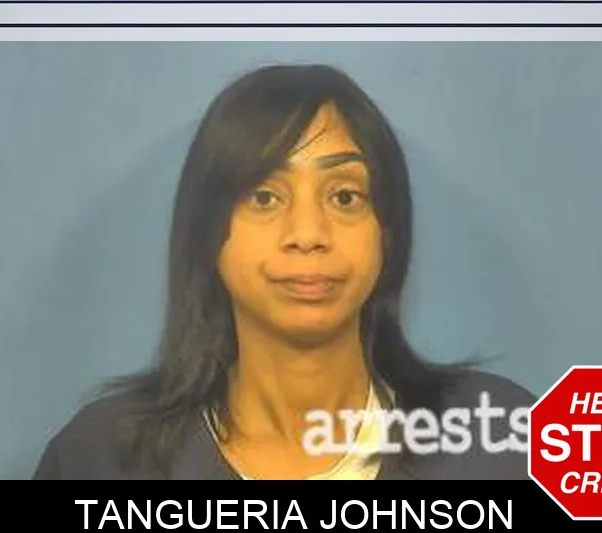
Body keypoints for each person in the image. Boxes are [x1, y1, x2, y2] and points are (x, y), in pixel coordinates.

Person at [33, 64, 536, 480]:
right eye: (264, 197)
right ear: (207, 231)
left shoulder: (510, 440)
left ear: (389, 231)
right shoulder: (102, 457)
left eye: (345, 196)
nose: (308, 233)